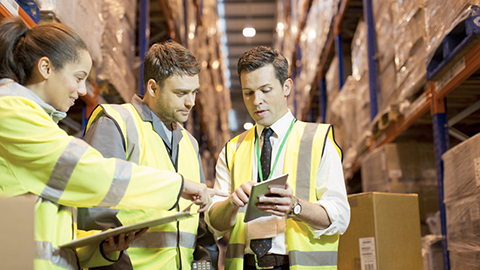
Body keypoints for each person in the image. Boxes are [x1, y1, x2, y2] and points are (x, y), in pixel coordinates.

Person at [0, 17, 215, 270]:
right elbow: (91, 173)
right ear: (46, 68)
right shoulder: (11, 112)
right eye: (78, 77)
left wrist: (103, 250)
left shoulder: (36, 120)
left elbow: (54, 228)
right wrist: (178, 186)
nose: (82, 90)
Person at [78, 41, 220, 270]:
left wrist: (204, 261)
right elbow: (94, 216)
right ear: (153, 88)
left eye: (194, 92)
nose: (191, 102)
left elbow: (199, 221)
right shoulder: (115, 122)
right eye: (181, 93)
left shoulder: (190, 143)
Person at [206, 46, 351, 270]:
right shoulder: (232, 150)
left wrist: (296, 206)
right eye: (248, 93)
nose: (257, 101)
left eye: (265, 90)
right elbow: (215, 225)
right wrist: (231, 203)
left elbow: (340, 217)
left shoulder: (318, 141)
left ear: (286, 87)